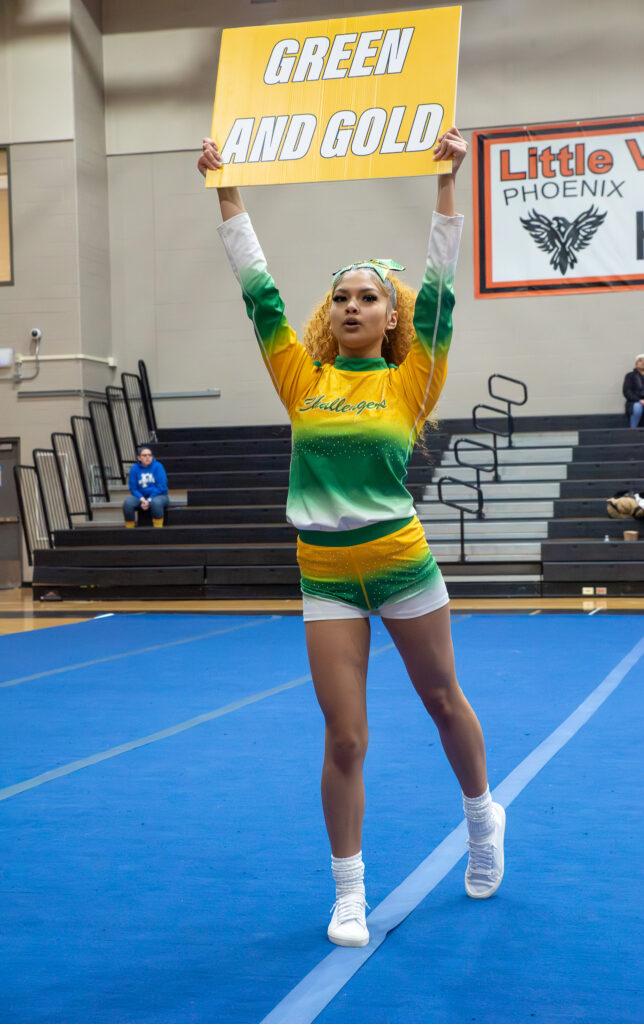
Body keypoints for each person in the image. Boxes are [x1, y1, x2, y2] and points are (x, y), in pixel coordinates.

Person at [198, 127, 504, 948]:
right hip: (325, 573)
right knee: (344, 737)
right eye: (342, 297)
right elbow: (259, 293)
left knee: (443, 701)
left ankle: (482, 818)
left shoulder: (412, 379)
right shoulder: (302, 378)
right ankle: (349, 891)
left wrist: (447, 182)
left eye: (368, 297)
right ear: (329, 314)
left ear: (389, 314)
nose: (353, 306)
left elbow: (440, 290)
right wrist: (226, 189)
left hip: (401, 563)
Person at [123, 445, 169, 527]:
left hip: (159, 496)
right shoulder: (134, 469)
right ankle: (130, 530)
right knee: (128, 503)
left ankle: (158, 529)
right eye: (144, 455)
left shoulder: (158, 466)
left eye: (150, 455)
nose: (148, 457)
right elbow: (133, 488)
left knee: (156, 503)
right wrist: (142, 499)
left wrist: (148, 500)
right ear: (139, 458)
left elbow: (161, 486)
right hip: (141, 497)